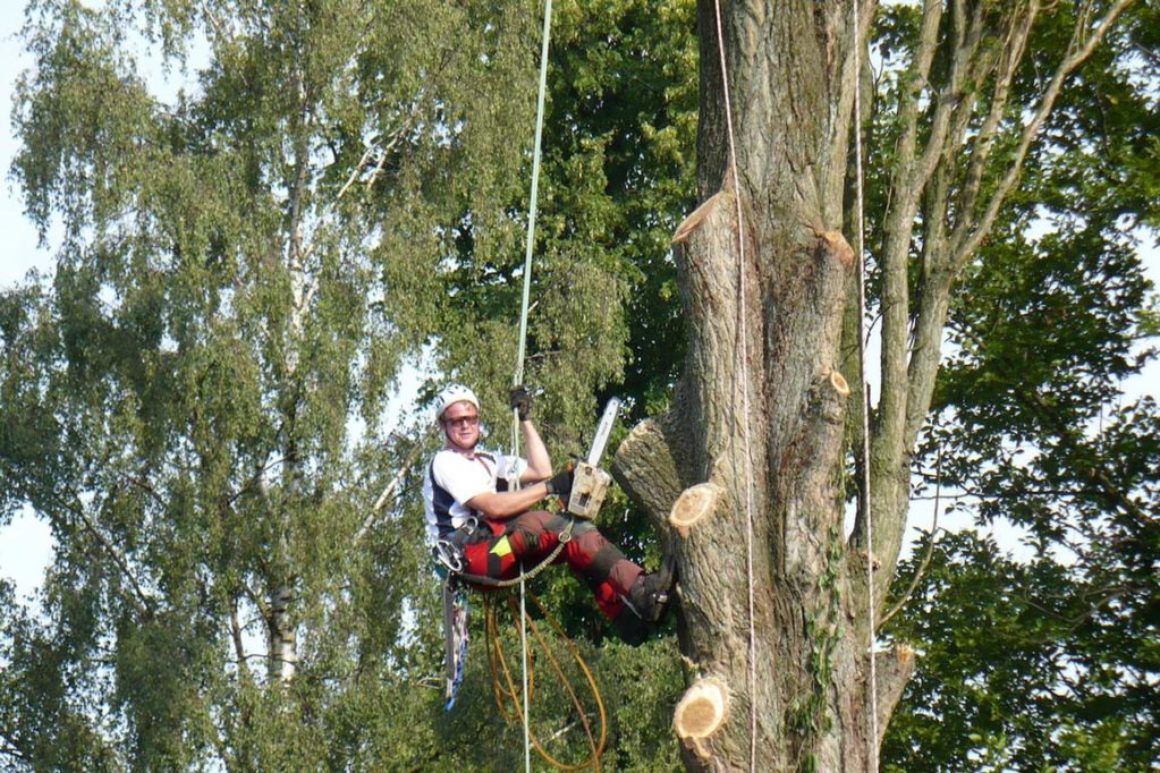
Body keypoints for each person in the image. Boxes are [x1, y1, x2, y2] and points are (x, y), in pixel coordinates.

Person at [422, 383, 670, 643]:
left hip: (501, 550)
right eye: (456, 421)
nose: (465, 426)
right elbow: (494, 506)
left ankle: (625, 618)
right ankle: (640, 589)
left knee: (577, 548)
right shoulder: (446, 462)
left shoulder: (488, 461)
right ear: (443, 425)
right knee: (554, 528)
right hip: (482, 558)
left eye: (470, 419)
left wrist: (525, 420)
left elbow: (541, 470)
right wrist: (551, 488)